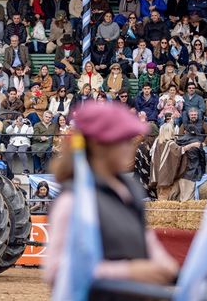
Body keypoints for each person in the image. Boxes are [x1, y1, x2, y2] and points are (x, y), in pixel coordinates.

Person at [46, 102, 178, 289]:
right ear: (98, 145)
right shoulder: (72, 200)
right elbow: (57, 271)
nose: (130, 146)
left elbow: (146, 241)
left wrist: (170, 269)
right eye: (122, 140)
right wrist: (129, 272)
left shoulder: (129, 190)